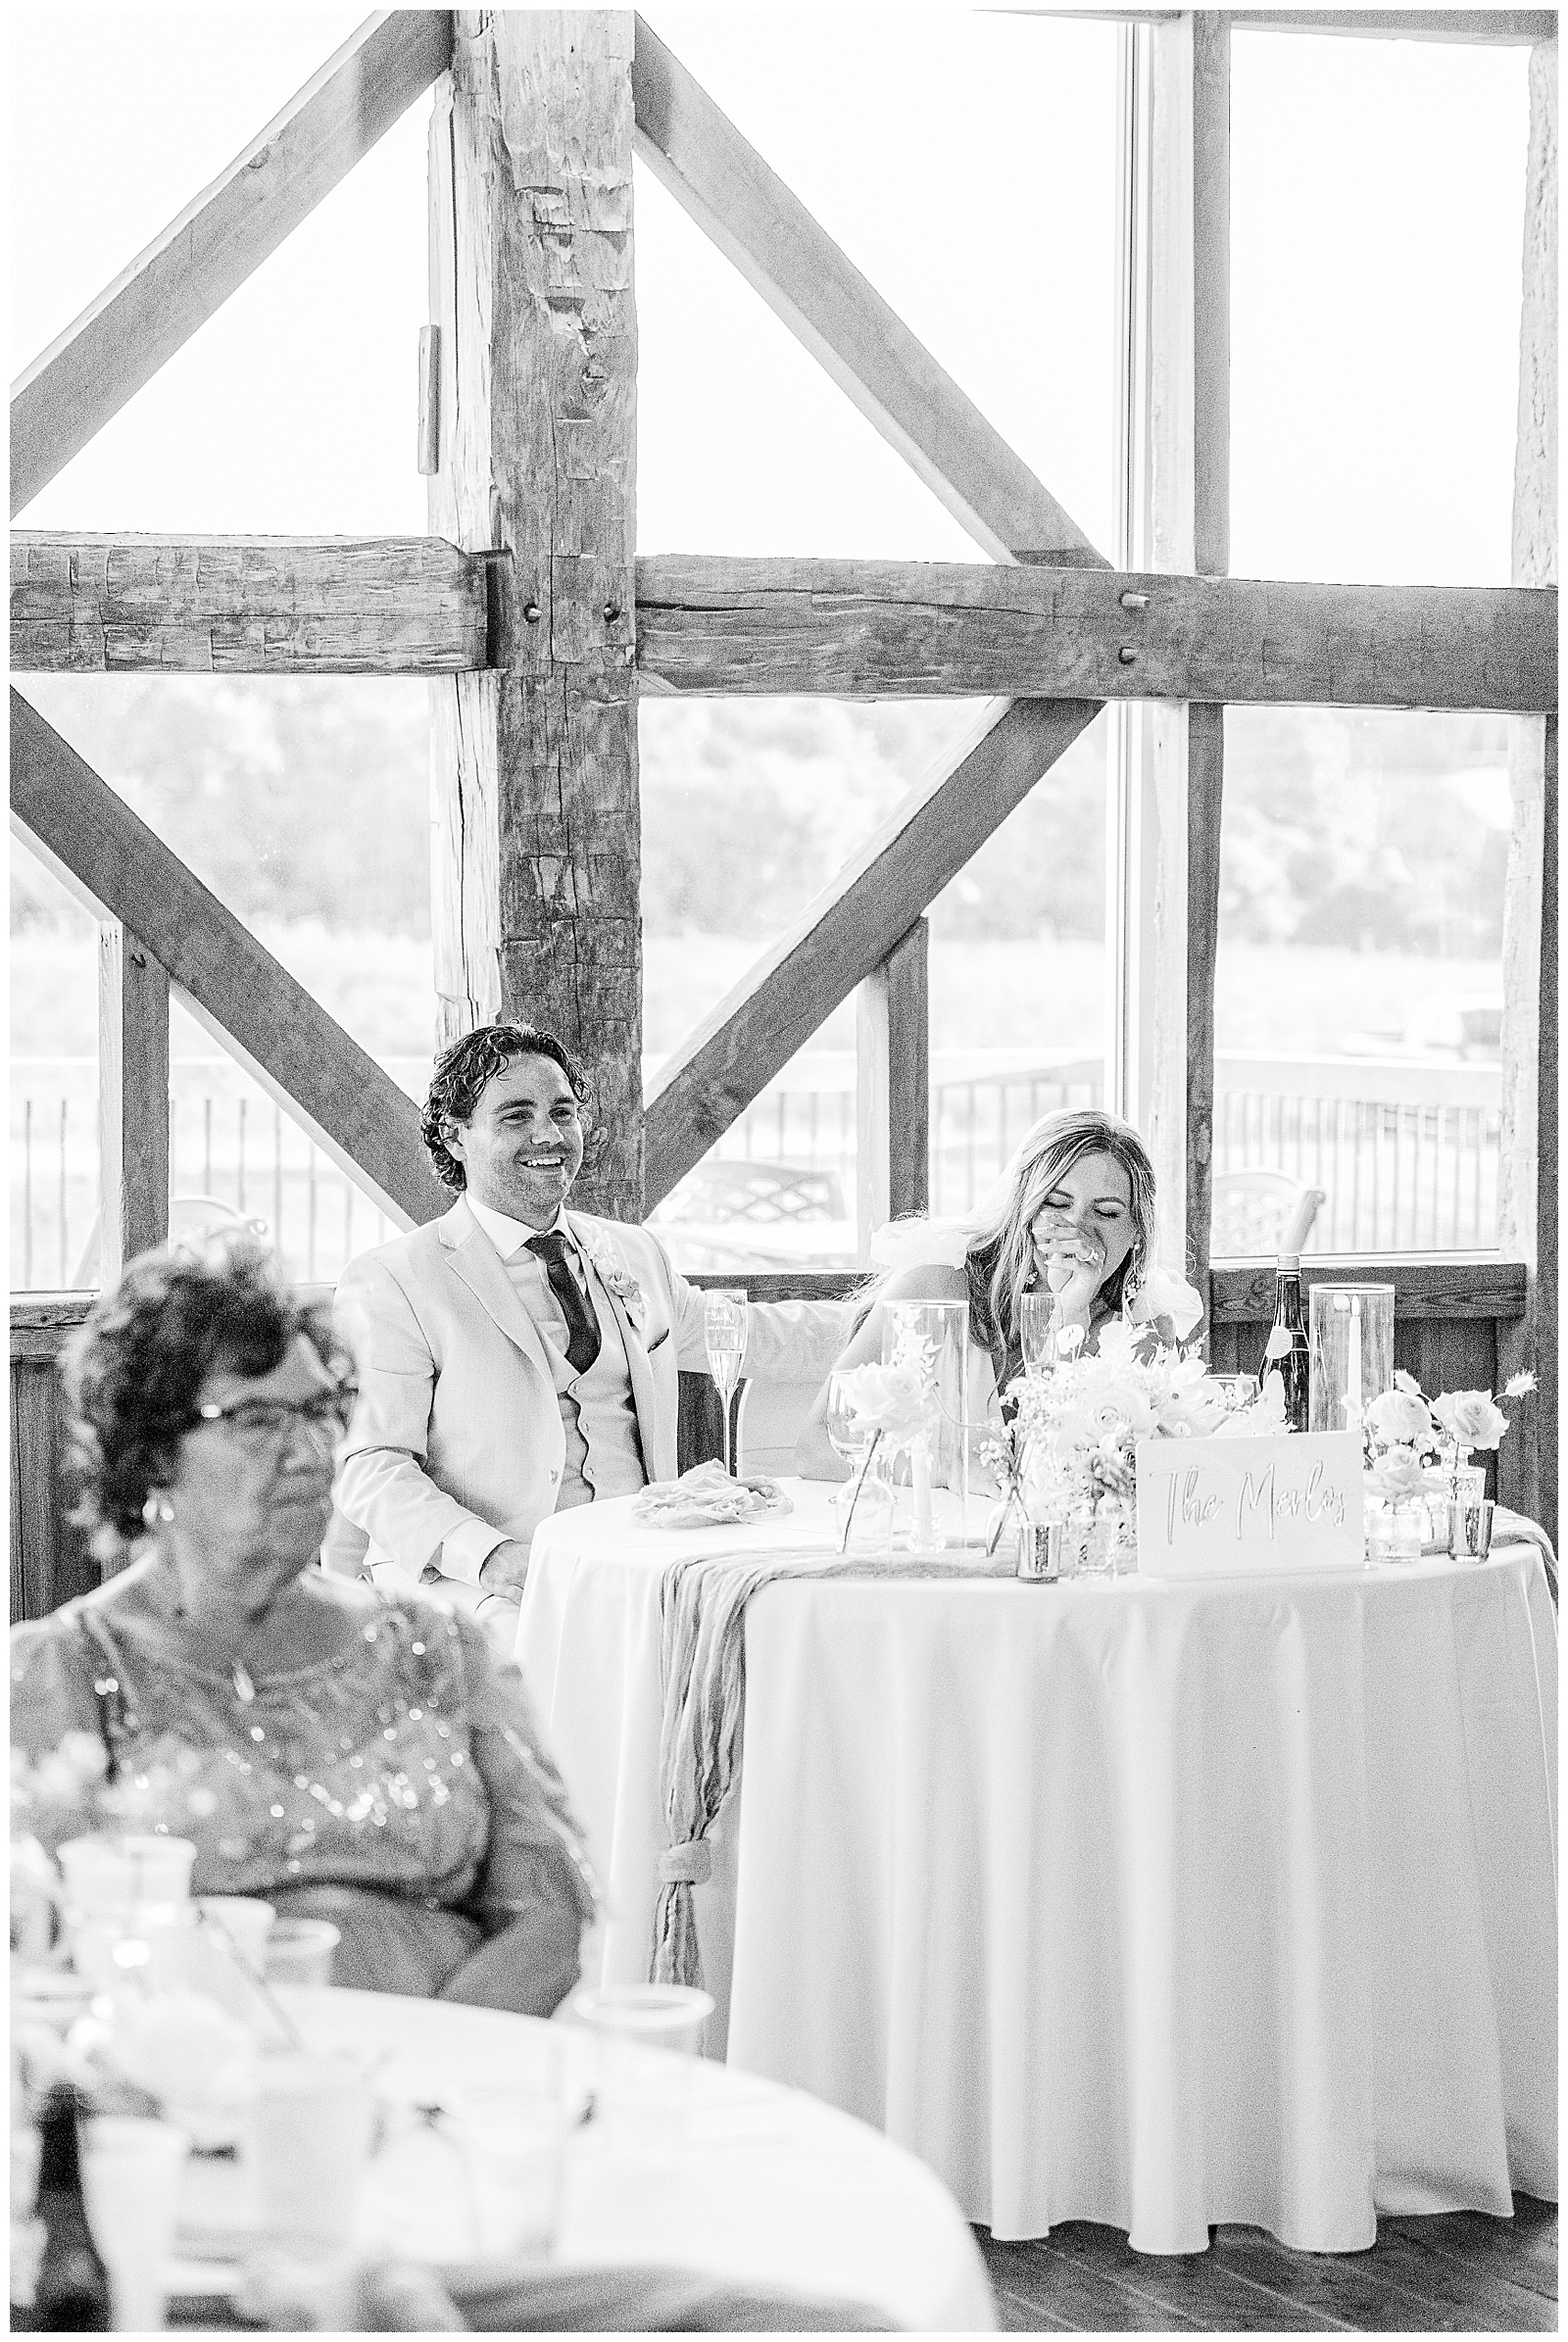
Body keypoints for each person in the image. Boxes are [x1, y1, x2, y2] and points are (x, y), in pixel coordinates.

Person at [9, 1243, 597, 2015]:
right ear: (151, 1455)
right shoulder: (64, 1672)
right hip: (190, 2093)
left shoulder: (440, 1649)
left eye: (318, 1412)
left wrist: (416, 2077)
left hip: (453, 2089)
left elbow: (551, 1914)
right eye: (256, 1421)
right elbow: (40, 1964)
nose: (309, 1453)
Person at [331, 1022, 845, 1632]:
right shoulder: (395, 1278)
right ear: (457, 1137)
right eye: (515, 1116)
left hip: (639, 1565)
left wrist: (894, 1309)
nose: (548, 1135)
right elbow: (373, 1463)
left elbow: (751, 1334)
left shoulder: (634, 1254)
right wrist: (492, 1558)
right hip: (479, 1585)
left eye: (562, 1110)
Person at [797, 1105, 1200, 1479]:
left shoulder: (1145, 1331)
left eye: (1107, 1212)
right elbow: (817, 1445)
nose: (1077, 1228)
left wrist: (1069, 1313)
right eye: (1057, 1203)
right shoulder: (937, 1286)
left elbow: (1122, 1478)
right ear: (1022, 1208)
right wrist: (954, 1473)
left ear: (1135, 1234)